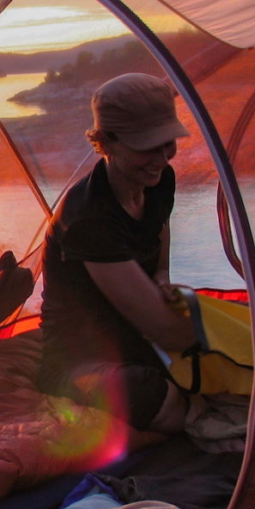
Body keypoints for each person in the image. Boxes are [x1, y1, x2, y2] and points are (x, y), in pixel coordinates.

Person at [36, 72, 196, 435]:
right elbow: (164, 330)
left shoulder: (158, 180)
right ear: (106, 142)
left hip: (133, 340)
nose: (161, 157)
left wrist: (160, 276)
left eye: (167, 143)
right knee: (157, 397)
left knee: (199, 379)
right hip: (78, 360)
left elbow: (159, 226)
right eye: (147, 146)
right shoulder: (88, 217)